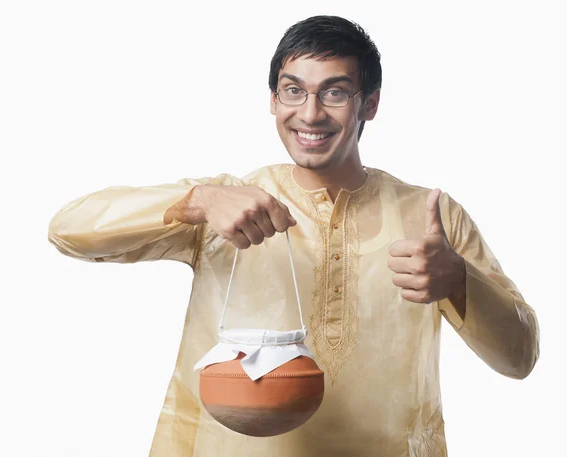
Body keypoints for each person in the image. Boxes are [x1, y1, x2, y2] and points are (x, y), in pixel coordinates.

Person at [47, 15, 539, 457]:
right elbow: (68, 229)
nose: (310, 113)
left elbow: (520, 358)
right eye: (293, 90)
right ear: (272, 99)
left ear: (370, 104)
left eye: (335, 92)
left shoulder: (431, 217)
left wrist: (459, 281)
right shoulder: (227, 204)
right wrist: (197, 201)